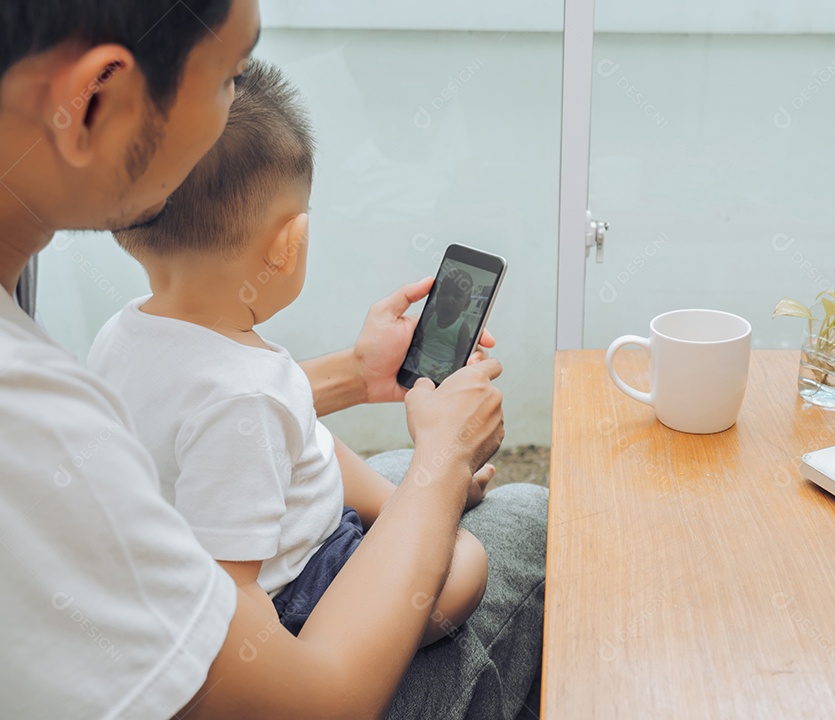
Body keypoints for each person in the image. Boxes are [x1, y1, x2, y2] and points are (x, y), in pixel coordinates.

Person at [0, 1, 547, 718]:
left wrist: (354, 377)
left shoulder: (106, 338)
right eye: (230, 74)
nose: (236, 101)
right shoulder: (27, 419)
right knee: (523, 516)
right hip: (287, 621)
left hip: (230, 543)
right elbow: (304, 695)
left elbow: (214, 416)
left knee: (387, 481)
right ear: (99, 97)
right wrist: (441, 463)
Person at [88, 59, 493, 643]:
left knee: (352, 457)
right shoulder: (248, 392)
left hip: (244, 552)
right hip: (298, 593)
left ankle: (411, 504)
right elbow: (231, 602)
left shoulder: (120, 332)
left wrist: (419, 491)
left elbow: (300, 436)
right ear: (289, 244)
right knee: (468, 566)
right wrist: (442, 477)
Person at [409, 266, 477, 382]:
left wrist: (456, 373)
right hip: (420, 359)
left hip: (442, 368)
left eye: (457, 296)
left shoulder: (462, 327)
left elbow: (461, 354)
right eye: (444, 293)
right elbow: (419, 337)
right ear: (438, 296)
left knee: (444, 383)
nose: (448, 300)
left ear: (466, 305)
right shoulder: (430, 316)